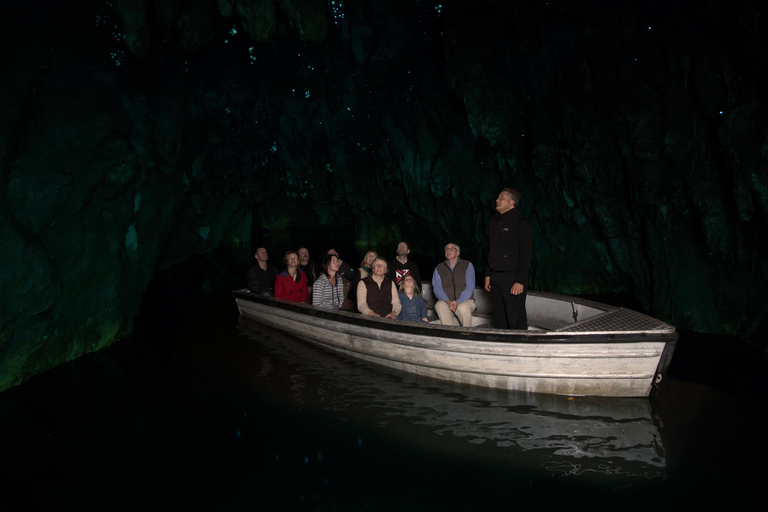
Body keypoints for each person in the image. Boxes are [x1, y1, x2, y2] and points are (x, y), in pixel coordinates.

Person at [484, 188, 533, 329]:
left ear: (512, 202)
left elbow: (526, 254)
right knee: (499, 315)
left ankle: (520, 345)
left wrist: (520, 281)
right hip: (495, 276)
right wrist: (488, 274)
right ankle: (501, 345)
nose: (497, 200)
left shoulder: (521, 223)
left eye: (502, 197)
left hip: (512, 277)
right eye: (498, 197)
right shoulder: (494, 222)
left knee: (515, 316)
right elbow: (490, 250)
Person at [432, 243, 477, 326]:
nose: (448, 250)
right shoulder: (439, 267)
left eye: (452, 248)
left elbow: (470, 287)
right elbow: (437, 288)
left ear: (458, 253)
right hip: (447, 302)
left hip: (465, 301)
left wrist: (457, 302)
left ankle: (467, 333)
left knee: (462, 308)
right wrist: (447, 301)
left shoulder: (467, 265)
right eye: (446, 249)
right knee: (439, 305)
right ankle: (448, 331)